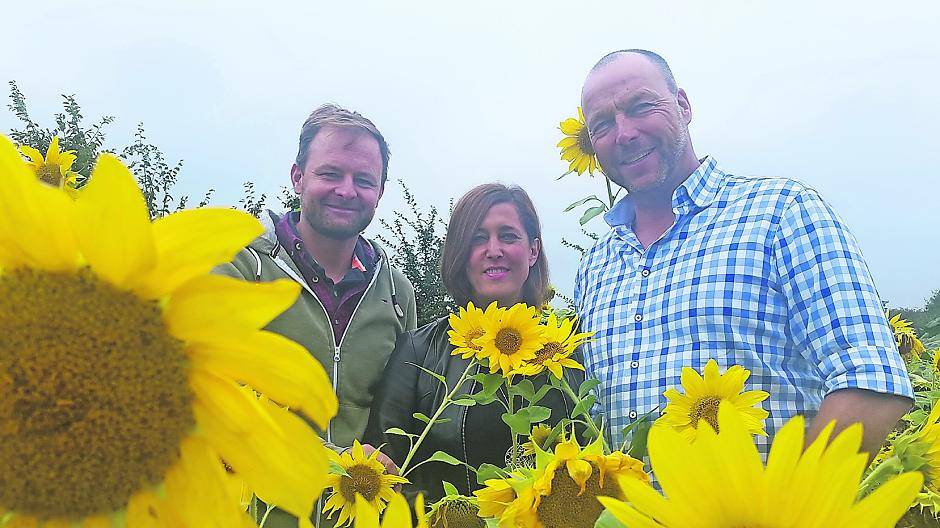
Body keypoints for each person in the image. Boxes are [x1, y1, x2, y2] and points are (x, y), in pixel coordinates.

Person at [574, 49, 913, 458]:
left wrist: (787, 507)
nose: (624, 133)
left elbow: (871, 382)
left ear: (683, 105)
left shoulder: (782, 212)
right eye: (602, 125)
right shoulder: (595, 265)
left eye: (641, 106)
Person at [215, 104, 417, 526]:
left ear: (380, 192)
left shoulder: (396, 293)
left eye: (364, 180)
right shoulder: (239, 263)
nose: (346, 190)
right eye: (330, 174)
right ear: (297, 176)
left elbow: (399, 411)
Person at [365, 183, 579, 501]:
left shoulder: (566, 345)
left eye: (508, 236)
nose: (494, 250)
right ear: (461, 255)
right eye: (478, 238)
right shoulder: (418, 352)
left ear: (533, 251)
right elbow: (384, 471)